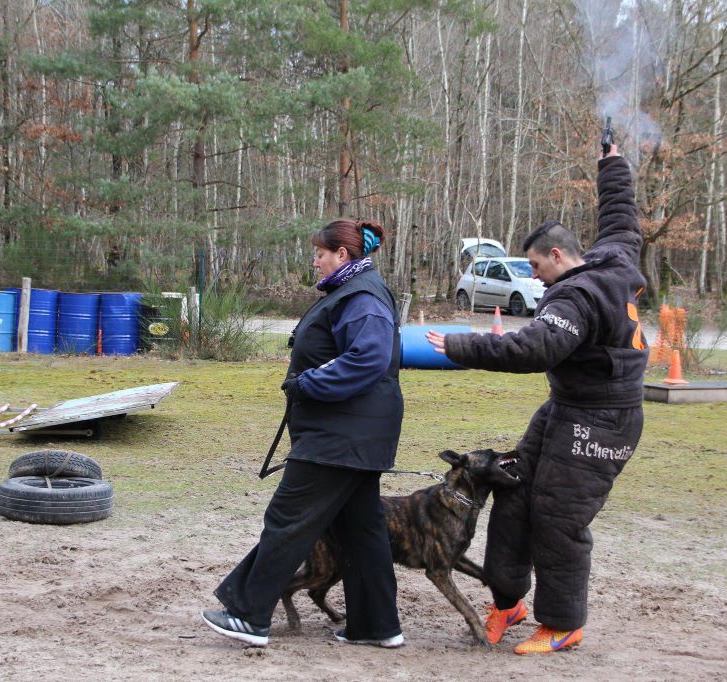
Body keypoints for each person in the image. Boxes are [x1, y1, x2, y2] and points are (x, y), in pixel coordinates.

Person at [426, 143, 647, 654]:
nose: (530, 276)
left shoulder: (576, 296)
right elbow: (621, 217)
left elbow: (534, 348)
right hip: (567, 407)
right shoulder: (614, 256)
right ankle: (507, 601)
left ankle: (563, 623)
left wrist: (462, 345)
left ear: (557, 256)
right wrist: (612, 164)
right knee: (513, 483)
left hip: (605, 419)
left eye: (532, 266)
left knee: (557, 515)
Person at [203, 218, 405, 648]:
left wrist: (308, 383)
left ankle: (248, 614)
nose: (314, 262)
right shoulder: (350, 293)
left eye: (319, 254)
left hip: (341, 437)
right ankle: (376, 625)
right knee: (360, 528)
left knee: (287, 519)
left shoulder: (363, 298)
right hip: (353, 434)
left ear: (342, 255)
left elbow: (367, 359)